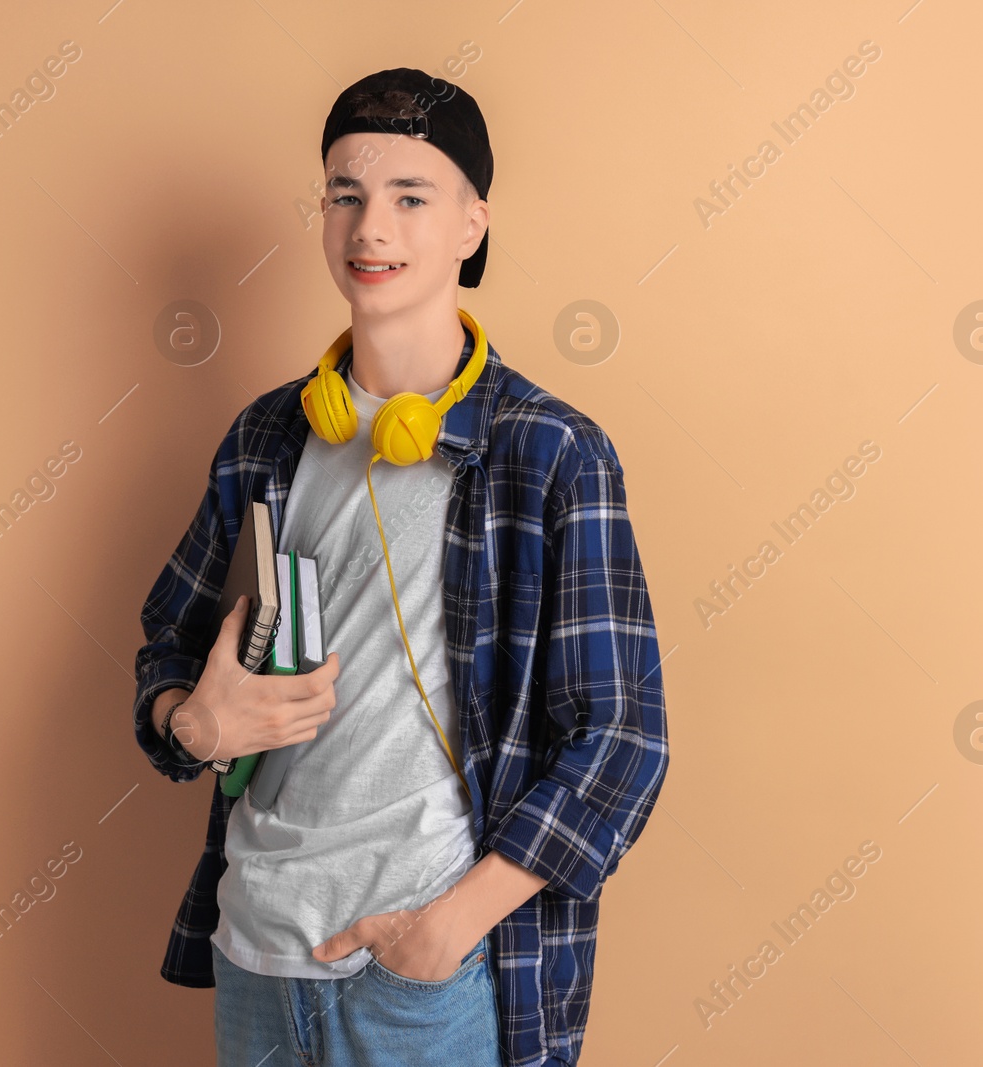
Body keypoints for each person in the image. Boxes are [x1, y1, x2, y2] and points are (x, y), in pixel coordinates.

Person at [132, 67, 669, 1067]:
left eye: (408, 197)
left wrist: (447, 927)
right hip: (254, 954)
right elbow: (166, 650)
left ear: (470, 224)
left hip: (425, 977)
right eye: (345, 194)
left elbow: (623, 738)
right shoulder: (266, 437)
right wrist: (193, 724)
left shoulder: (550, 452)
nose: (368, 227)